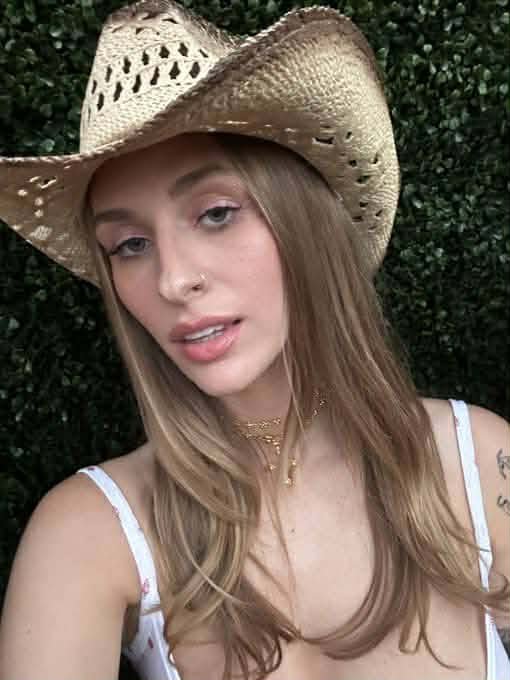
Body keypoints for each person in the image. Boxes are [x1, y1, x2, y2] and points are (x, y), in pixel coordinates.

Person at [0, 1, 508, 679]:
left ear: (303, 220)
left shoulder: (477, 465)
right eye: (129, 245)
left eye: (215, 213)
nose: (173, 279)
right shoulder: (90, 534)